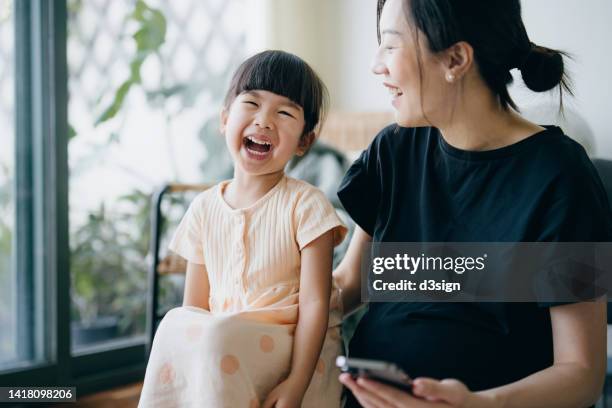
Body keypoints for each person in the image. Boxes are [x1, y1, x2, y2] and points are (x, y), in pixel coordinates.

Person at [333, 0, 612, 407]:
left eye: (391, 46)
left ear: (456, 59)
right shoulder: (391, 152)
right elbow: (349, 285)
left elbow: (581, 372)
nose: (378, 66)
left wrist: (479, 404)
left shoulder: (561, 176)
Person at [138, 50, 347, 408]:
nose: (264, 121)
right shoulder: (204, 208)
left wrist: (296, 383)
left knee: (220, 333)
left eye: (284, 113)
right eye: (251, 104)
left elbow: (316, 305)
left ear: (304, 142)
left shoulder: (307, 205)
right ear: (224, 119)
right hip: (226, 347)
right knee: (176, 323)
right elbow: (195, 312)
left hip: (293, 351)